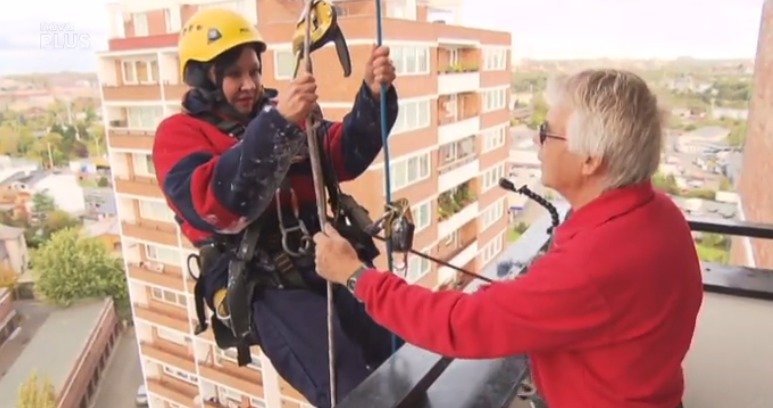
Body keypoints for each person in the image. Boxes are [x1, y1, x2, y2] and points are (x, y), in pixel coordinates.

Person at [313, 69, 704, 408]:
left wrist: (356, 276)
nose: (537, 143)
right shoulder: (660, 214)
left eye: (547, 133)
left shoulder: (594, 262)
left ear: (591, 159)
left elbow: (460, 326)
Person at [152, 8, 399, 407]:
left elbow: (341, 155)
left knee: (396, 346)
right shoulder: (179, 136)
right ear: (205, 79)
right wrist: (278, 124)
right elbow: (218, 206)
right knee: (347, 386)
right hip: (261, 278)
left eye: (254, 71)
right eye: (235, 74)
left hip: (319, 255)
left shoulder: (276, 111)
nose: (250, 84)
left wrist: (372, 98)